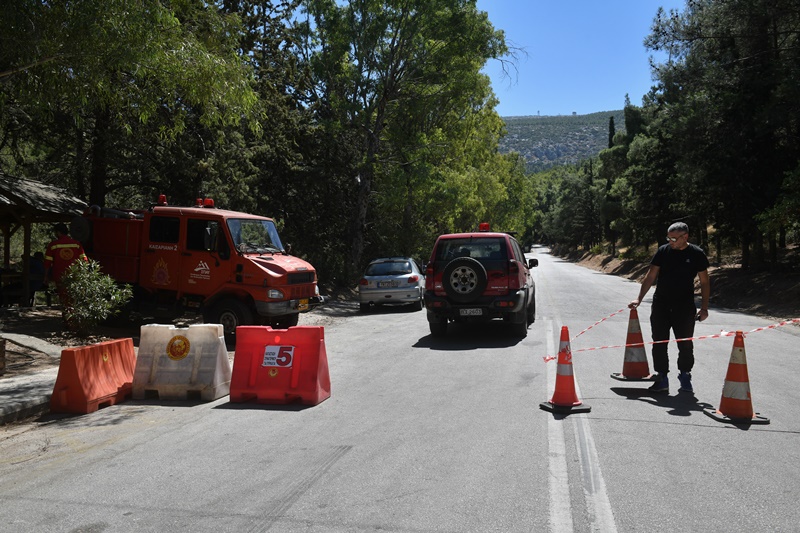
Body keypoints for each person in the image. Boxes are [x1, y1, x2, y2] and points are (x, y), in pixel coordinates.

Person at [628, 222, 710, 393]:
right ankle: (662, 377)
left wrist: (704, 308)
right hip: (661, 304)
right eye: (668, 238)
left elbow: (704, 282)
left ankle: (685, 375)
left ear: (685, 237)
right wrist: (639, 298)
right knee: (659, 342)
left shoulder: (696, 254)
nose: (670, 241)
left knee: (685, 343)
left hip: (684, 306)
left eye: (674, 238)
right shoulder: (663, 251)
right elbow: (651, 276)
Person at [43, 223, 87, 303]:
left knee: (63, 297)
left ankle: (66, 314)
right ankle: (72, 313)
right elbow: (84, 261)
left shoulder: (53, 245)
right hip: (74, 275)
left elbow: (47, 263)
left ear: (58, 232)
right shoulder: (76, 244)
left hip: (59, 275)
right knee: (73, 297)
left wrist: (46, 276)